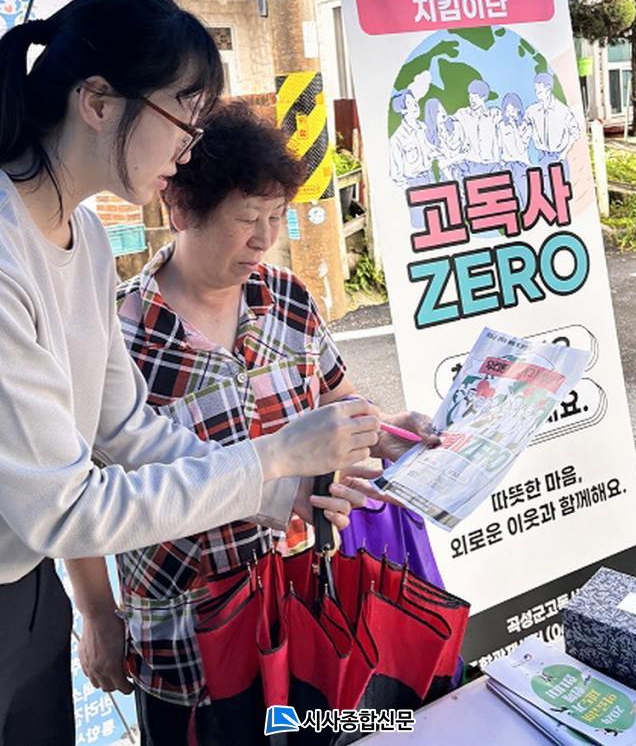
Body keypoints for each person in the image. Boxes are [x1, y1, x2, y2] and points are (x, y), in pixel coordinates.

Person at [0, 0, 382, 746]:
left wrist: (278, 494)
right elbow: (70, 509)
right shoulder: (9, 259)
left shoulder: (86, 237)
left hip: (25, 579)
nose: (187, 150)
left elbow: (127, 430)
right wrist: (273, 458)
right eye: (184, 119)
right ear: (97, 101)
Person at [67, 101, 436, 745]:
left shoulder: (288, 298)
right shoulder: (120, 332)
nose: (264, 239)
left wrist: (388, 431)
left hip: (305, 617)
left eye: (275, 216)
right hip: (185, 639)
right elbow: (77, 491)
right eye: (246, 219)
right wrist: (99, 617)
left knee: (329, 728)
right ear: (182, 209)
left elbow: (342, 403)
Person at [524, 71, 580, 184]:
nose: (537, 94)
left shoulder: (563, 110)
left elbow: (575, 132)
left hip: (558, 155)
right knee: (544, 187)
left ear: (548, 88)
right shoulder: (532, 111)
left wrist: (564, 152)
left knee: (560, 187)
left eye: (540, 91)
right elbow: (525, 129)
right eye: (536, 91)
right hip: (541, 155)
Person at [455, 78, 502, 177]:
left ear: (484, 97)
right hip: (471, 163)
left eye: (475, 97)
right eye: (470, 97)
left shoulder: (494, 114)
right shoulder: (463, 114)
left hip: (492, 164)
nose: (472, 100)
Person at [423, 97, 467, 187]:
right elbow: (441, 164)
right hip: (446, 175)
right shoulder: (430, 137)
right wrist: (453, 181)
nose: (442, 113)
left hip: (464, 169)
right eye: (438, 112)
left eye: (442, 109)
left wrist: (452, 160)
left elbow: (466, 149)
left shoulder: (456, 125)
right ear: (432, 116)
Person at [499, 92, 531, 207]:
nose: (510, 114)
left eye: (512, 110)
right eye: (507, 110)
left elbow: (521, 148)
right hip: (507, 165)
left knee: (525, 195)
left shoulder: (525, 126)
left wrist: (514, 129)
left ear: (518, 109)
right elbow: (500, 146)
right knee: (509, 198)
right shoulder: (502, 126)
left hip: (521, 165)